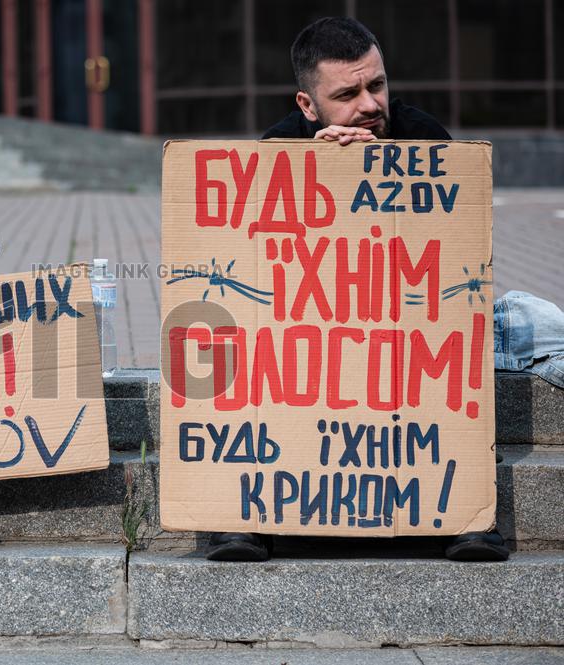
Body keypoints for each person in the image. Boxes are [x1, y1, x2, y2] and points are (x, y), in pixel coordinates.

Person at [206, 17, 510, 563]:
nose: (369, 105)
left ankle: (467, 516)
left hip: (408, 335)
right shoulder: (278, 149)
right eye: (347, 94)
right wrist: (318, 171)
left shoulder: (428, 141)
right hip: (314, 343)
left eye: (377, 85)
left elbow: (453, 264)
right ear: (307, 105)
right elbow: (259, 279)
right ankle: (244, 522)